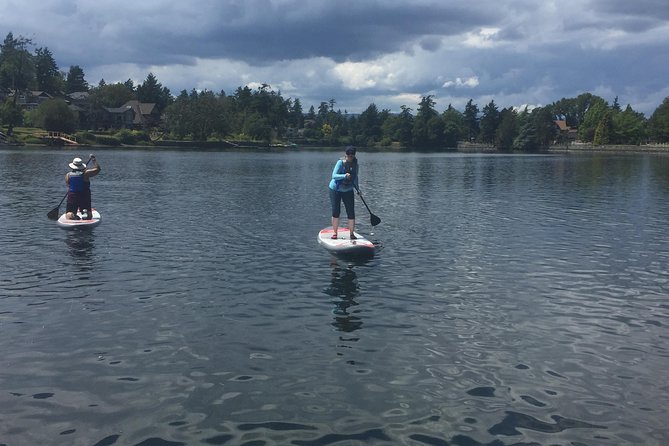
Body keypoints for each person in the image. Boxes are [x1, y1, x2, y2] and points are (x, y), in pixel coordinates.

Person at [328, 146, 360, 239]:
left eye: (352, 155)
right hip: (335, 189)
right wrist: (344, 176)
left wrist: (358, 190)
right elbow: (334, 176)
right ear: (346, 155)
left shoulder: (355, 165)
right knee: (336, 211)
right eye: (348, 155)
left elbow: (355, 178)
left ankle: (351, 234)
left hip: (348, 189)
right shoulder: (340, 163)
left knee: (351, 212)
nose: (350, 157)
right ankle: (335, 233)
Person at [65, 155, 101, 220]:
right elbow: (98, 169)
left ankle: (72, 215)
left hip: (72, 196)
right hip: (84, 196)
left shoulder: (68, 175)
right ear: (81, 166)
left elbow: (68, 185)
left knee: (68, 213)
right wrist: (94, 160)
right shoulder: (86, 173)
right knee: (89, 215)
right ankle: (87, 214)